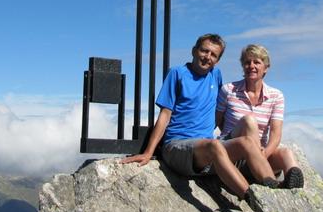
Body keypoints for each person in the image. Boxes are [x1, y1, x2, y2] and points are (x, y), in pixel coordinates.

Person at [122, 34, 280, 199]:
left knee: (248, 142)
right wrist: (149, 152)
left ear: (217, 60)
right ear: (194, 51)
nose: (208, 57)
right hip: (178, 146)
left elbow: (219, 114)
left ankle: (273, 194)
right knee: (215, 146)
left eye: (213, 55)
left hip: (207, 151)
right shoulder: (177, 74)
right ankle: (253, 200)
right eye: (204, 51)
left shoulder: (215, 75)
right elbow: (164, 115)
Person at [216, 44, 304, 189]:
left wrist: (264, 153)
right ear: (243, 66)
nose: (251, 66)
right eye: (247, 62)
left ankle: (292, 188)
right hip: (232, 151)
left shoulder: (276, 96)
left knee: (286, 153)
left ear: (266, 67)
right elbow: (216, 121)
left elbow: (276, 134)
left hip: (260, 154)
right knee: (249, 121)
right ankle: (270, 183)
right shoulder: (228, 90)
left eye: (257, 62)